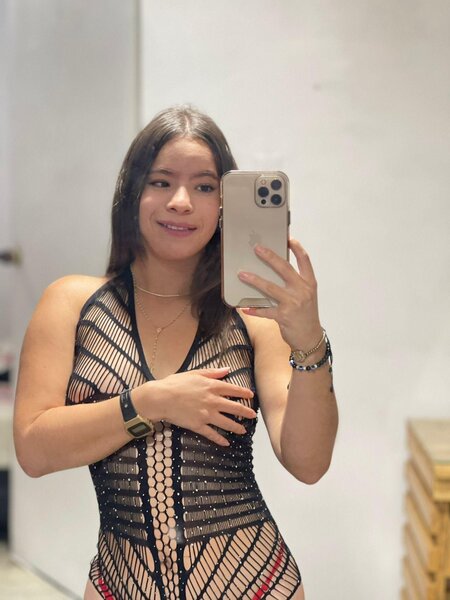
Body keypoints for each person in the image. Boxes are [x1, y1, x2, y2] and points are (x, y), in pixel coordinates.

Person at [14, 105, 338, 600]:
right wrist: (152, 402)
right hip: (118, 586)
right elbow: (34, 451)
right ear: (131, 193)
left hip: (255, 585)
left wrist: (310, 340)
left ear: (225, 204)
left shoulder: (253, 319)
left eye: (204, 187)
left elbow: (308, 463)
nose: (181, 202)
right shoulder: (72, 303)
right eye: (161, 182)